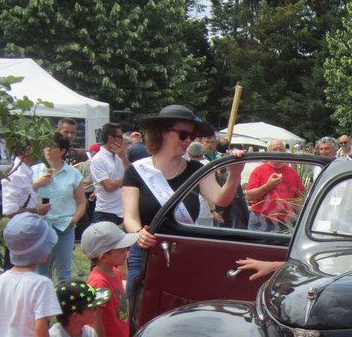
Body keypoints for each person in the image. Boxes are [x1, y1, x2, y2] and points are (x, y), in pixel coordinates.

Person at [121, 104, 245, 298]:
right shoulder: (136, 171)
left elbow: (221, 199)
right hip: (146, 253)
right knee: (140, 308)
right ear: (162, 132)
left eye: (192, 135)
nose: (188, 140)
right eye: (183, 134)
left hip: (183, 254)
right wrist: (138, 234)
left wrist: (235, 174)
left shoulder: (196, 169)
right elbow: (130, 217)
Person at [81, 222, 138, 337]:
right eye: (120, 250)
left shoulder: (115, 272)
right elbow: (95, 320)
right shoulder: (99, 282)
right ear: (103, 257)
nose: (126, 251)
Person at [31, 132, 87, 281]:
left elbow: (82, 202)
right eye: (46, 146)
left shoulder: (73, 173)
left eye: (53, 147)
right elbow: (23, 197)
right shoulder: (34, 171)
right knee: (40, 272)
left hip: (64, 226)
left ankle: (64, 296)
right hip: (40, 226)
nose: (48, 150)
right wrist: (36, 184)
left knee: (64, 272)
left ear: (63, 151)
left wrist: (73, 220)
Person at [246, 138, 305, 232]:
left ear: (285, 152)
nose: (278, 152)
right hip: (259, 221)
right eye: (274, 149)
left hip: (283, 223)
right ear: (268, 152)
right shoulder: (259, 171)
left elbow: (298, 200)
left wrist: (301, 221)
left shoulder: (292, 173)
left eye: (281, 149)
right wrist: (268, 186)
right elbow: (249, 196)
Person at [90, 122, 130, 225]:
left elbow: (132, 176)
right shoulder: (98, 159)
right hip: (106, 212)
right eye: (120, 137)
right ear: (111, 138)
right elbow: (109, 186)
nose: (123, 140)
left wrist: (124, 158)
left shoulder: (120, 157)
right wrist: (126, 181)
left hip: (123, 212)